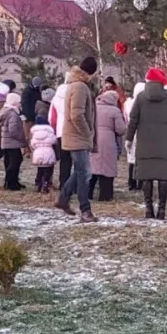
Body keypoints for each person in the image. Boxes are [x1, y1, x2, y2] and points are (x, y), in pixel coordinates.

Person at [127, 68, 167, 219]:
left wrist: (129, 138)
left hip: (145, 142)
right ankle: (162, 210)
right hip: (164, 142)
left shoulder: (140, 98)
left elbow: (133, 120)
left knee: (147, 175)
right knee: (163, 176)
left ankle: (148, 209)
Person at [56, 56, 99, 222]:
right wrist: (87, 132)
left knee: (81, 171)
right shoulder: (80, 87)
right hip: (77, 136)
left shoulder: (77, 85)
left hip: (75, 136)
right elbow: (77, 115)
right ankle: (85, 210)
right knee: (84, 174)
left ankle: (63, 198)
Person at [88, 90, 127, 202]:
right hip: (108, 141)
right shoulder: (115, 111)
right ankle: (105, 196)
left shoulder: (94, 107)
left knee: (93, 167)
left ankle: (88, 193)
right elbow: (120, 129)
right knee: (107, 169)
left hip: (93, 138)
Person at [0, 93, 26, 191]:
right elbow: (13, 130)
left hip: (7, 142)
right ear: (14, 103)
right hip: (12, 142)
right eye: (19, 102)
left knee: (9, 161)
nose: (20, 104)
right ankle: (11, 182)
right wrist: (21, 137)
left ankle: (11, 182)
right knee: (15, 161)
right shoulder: (13, 113)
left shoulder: (6, 111)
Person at [50, 74, 72, 189]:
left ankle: (64, 183)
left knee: (65, 160)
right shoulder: (75, 94)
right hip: (74, 131)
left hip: (60, 131)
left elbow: (52, 118)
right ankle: (75, 184)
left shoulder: (56, 97)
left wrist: (54, 130)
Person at [124, 83, 145, 191]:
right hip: (142, 132)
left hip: (131, 132)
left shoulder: (128, 103)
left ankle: (131, 182)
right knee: (141, 158)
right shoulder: (144, 103)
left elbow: (126, 118)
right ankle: (140, 182)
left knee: (131, 158)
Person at [30, 116, 57, 193]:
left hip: (38, 153)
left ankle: (39, 184)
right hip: (48, 152)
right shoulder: (50, 132)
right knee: (48, 170)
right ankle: (45, 184)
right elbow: (54, 141)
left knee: (40, 169)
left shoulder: (34, 134)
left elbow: (32, 144)